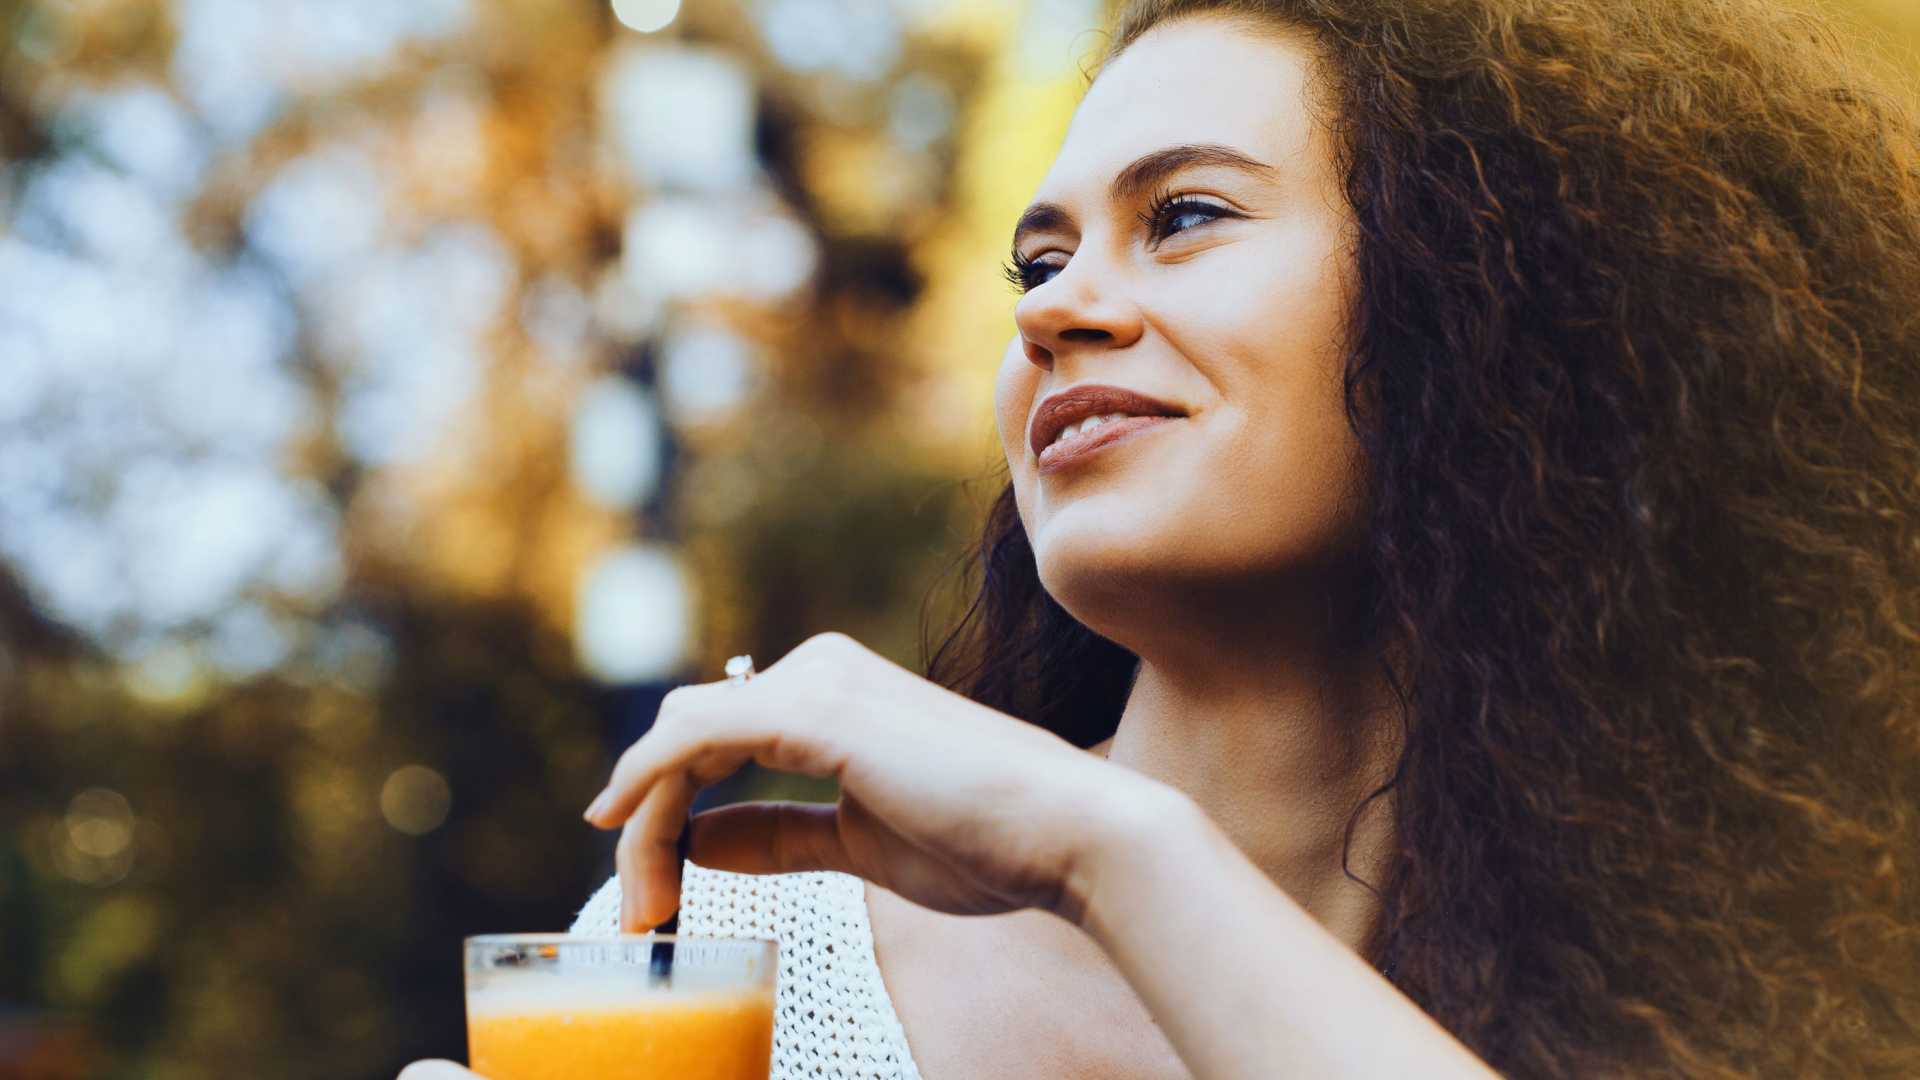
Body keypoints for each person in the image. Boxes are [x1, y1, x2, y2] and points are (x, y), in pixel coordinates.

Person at [401, 0, 1920, 1076]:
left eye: (1184, 215)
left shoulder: (1740, 1000)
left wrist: (1110, 854)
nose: (1051, 308)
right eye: (1040, 256)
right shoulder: (726, 981)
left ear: (1487, 306)